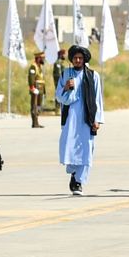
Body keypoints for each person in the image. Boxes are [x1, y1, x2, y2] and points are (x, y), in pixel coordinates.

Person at [56, 45, 103, 196]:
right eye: (75, 58)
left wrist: (97, 120)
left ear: (84, 60)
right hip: (71, 118)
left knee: (86, 148)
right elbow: (59, 97)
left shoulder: (93, 75)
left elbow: (97, 99)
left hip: (87, 118)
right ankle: (74, 174)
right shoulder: (66, 74)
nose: (77, 60)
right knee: (70, 146)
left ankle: (79, 182)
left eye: (80, 58)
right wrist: (66, 88)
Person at [27, 50, 47, 128]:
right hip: (36, 89)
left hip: (40, 89)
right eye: (42, 58)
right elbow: (31, 77)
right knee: (34, 105)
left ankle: (37, 121)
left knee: (38, 106)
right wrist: (32, 87)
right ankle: (34, 123)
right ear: (38, 58)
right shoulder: (33, 66)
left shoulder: (39, 66)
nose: (43, 60)